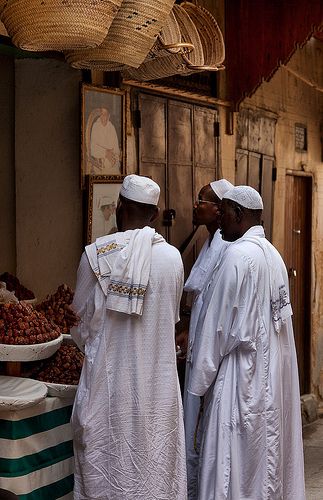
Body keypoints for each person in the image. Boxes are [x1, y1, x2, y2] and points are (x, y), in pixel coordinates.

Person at [71, 174, 187, 499]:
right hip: (159, 390)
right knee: (156, 470)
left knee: (108, 467)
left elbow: (79, 326)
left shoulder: (96, 256)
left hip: (110, 390)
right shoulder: (173, 259)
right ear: (154, 214)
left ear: (119, 207)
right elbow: (170, 318)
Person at [187, 185, 305, 499]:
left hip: (239, 381)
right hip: (268, 381)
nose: (220, 220)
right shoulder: (274, 256)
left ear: (239, 214)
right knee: (261, 462)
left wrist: (198, 384)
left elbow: (218, 329)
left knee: (232, 465)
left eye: (223, 211)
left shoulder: (237, 256)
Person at [178, 179, 233, 498]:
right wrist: (187, 330)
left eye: (202, 201)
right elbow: (200, 299)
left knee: (204, 426)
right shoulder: (208, 242)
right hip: (198, 344)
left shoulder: (226, 248)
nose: (196, 206)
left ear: (219, 209)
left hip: (214, 353)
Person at [89, 107, 120, 174]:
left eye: (105, 114)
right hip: (99, 163)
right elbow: (92, 147)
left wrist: (113, 155)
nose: (103, 116)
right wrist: (105, 153)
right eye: (101, 114)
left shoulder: (112, 127)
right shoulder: (95, 126)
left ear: (108, 116)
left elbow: (116, 148)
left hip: (112, 162)